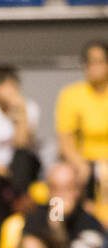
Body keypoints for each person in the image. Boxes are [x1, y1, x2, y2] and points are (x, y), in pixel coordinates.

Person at [55, 41, 108, 224]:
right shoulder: (71, 94)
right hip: (80, 163)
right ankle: (56, 227)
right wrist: (81, 164)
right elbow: (65, 140)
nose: (93, 67)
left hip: (106, 164)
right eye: (89, 62)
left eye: (99, 61)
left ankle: (101, 226)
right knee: (59, 178)